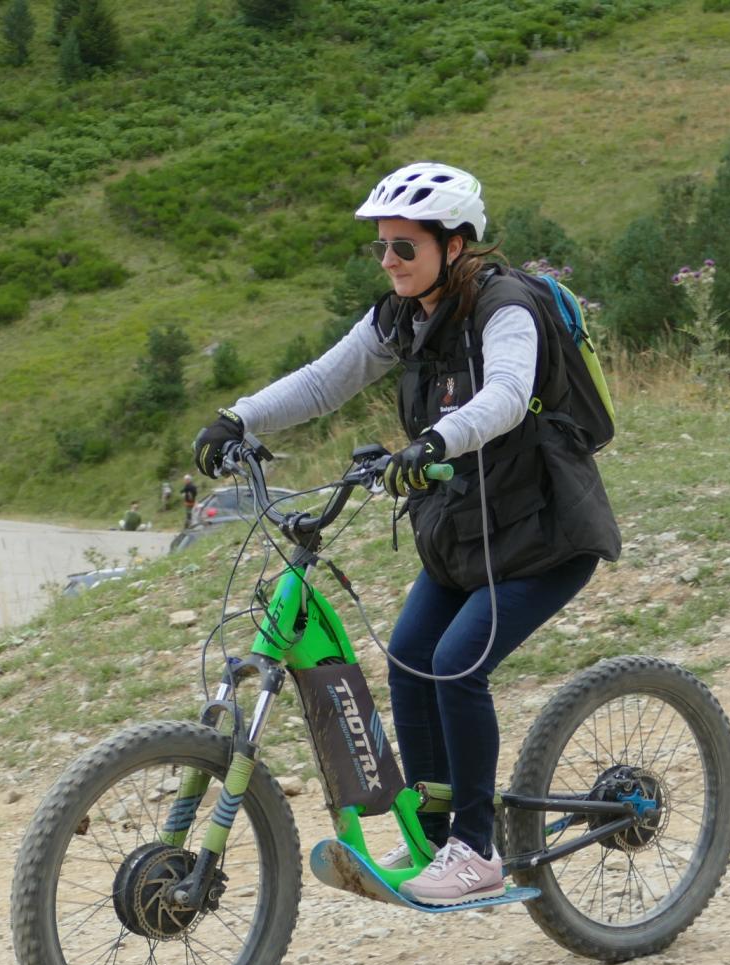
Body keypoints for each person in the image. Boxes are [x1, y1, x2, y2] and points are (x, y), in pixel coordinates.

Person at [191, 162, 620, 905]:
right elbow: (328, 380)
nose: (388, 260)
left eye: (404, 247)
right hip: (465, 532)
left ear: (454, 247)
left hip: (546, 534)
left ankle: (476, 850)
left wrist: (435, 442)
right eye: (382, 246)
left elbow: (509, 396)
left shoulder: (504, 307)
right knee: (410, 658)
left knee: (454, 664)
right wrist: (240, 415)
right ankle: (434, 830)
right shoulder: (405, 313)